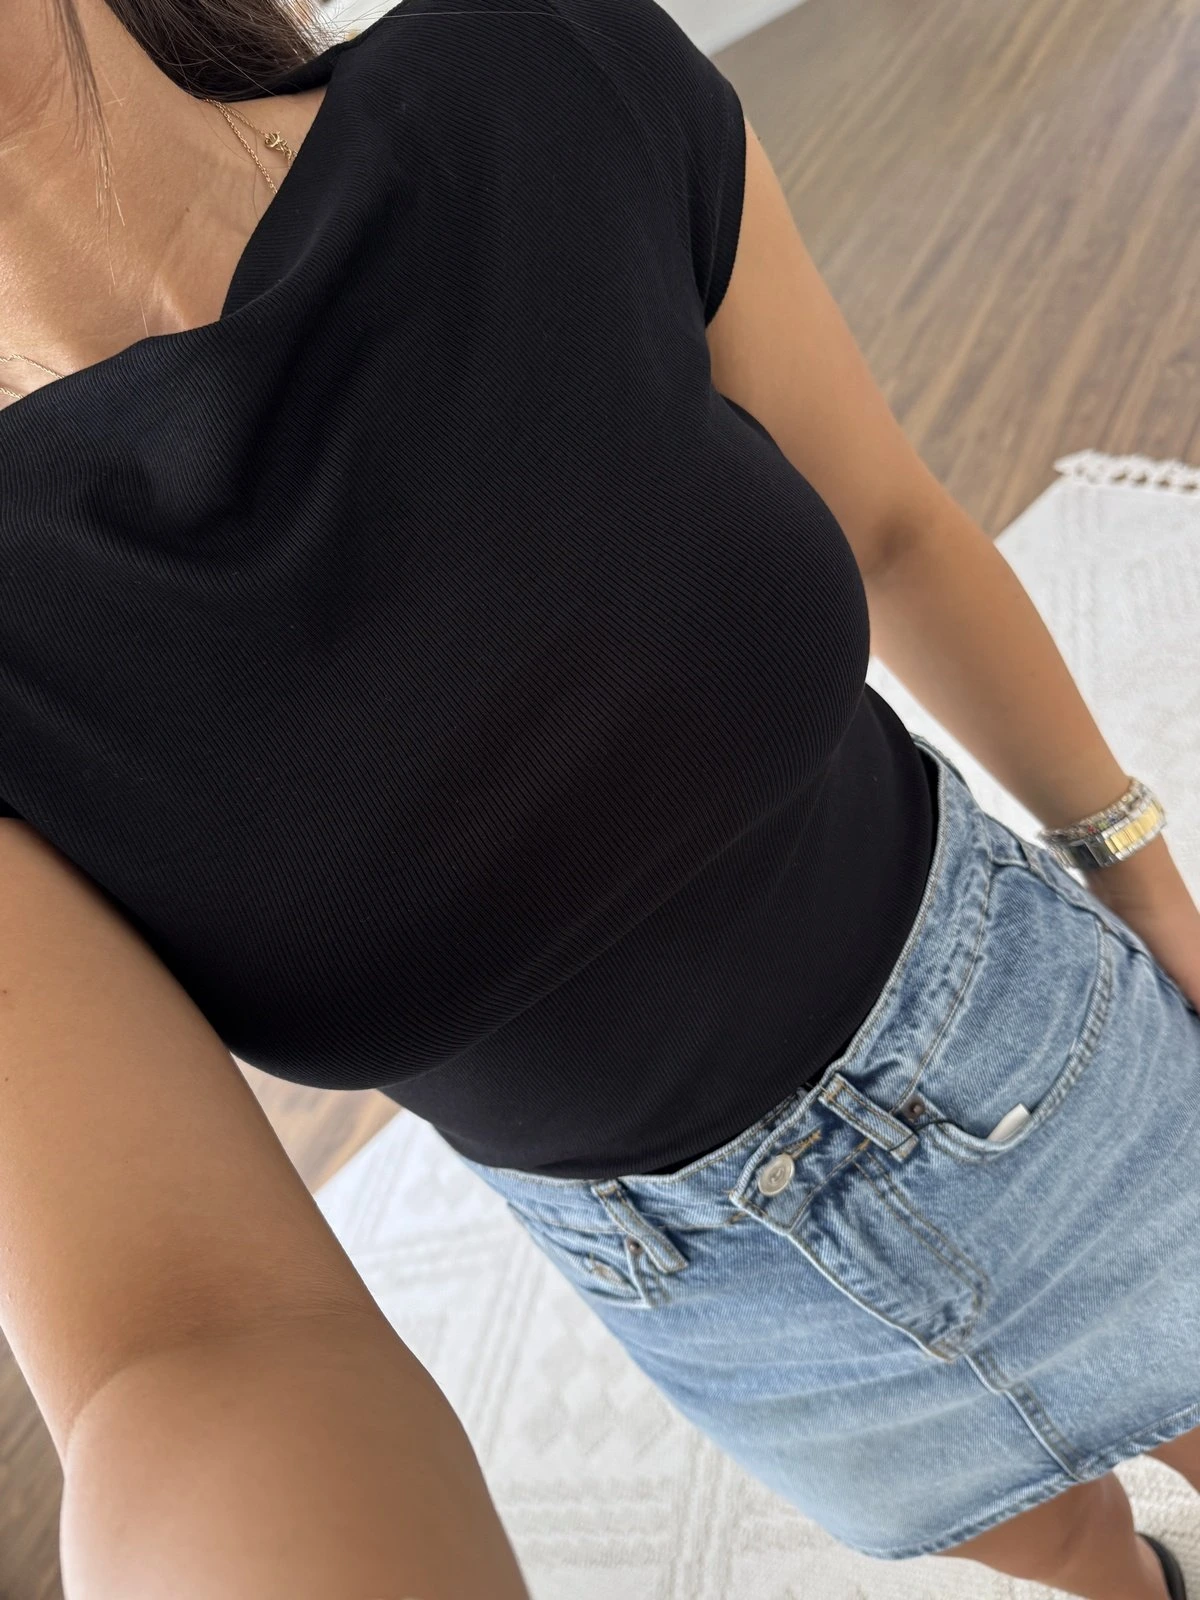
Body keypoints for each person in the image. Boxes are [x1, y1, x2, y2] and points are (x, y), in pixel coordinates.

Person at [1, 0, 1198, 1594]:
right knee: (1070, 1550)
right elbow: (184, 1340)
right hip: (692, 1288)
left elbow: (893, 527)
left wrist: (1143, 878)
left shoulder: (545, 73)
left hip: (1034, 1052)